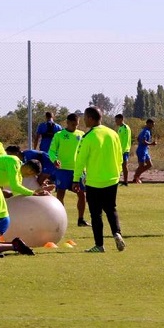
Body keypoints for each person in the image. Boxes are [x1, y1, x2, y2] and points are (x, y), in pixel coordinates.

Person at [73, 106, 125, 253]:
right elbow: (120, 155)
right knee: (111, 209)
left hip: (94, 181)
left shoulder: (88, 137)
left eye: (85, 117)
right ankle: (117, 233)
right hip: (112, 179)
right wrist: (118, 172)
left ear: (90, 118)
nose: (83, 120)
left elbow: (80, 160)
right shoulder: (113, 134)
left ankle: (99, 245)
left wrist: (76, 179)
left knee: (96, 214)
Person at [48, 113, 89, 227]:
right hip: (63, 169)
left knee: (81, 194)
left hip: (78, 170)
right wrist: (54, 159)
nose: (75, 127)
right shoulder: (59, 135)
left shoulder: (82, 135)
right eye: (73, 124)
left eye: (77, 124)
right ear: (67, 122)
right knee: (61, 193)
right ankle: (60, 219)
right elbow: (51, 151)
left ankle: (81, 219)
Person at [132, 118, 157, 183]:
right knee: (141, 166)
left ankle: (136, 176)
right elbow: (143, 141)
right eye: (152, 124)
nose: (153, 126)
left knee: (149, 164)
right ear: (148, 124)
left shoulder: (146, 131)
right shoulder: (145, 131)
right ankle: (136, 178)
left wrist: (146, 145)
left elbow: (138, 138)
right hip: (141, 150)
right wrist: (151, 143)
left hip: (144, 150)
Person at [114, 114, 132, 186]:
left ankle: (126, 181)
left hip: (124, 150)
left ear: (121, 119)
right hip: (119, 150)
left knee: (124, 165)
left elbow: (126, 140)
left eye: (116, 120)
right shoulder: (120, 128)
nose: (116, 122)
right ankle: (119, 180)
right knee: (119, 165)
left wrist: (123, 150)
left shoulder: (125, 128)